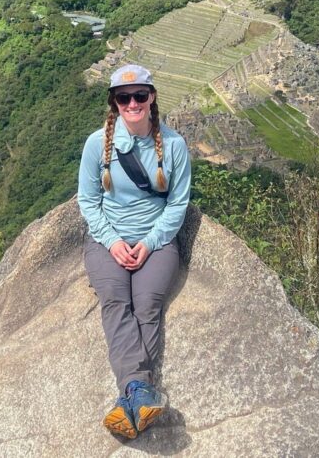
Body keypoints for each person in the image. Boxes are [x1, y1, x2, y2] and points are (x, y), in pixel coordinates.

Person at [77, 64, 191, 439]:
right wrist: (112, 242)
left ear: (152, 97)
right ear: (115, 103)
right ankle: (140, 389)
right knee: (114, 299)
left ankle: (131, 393)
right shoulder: (99, 144)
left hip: (155, 242)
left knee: (147, 305)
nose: (132, 103)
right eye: (124, 98)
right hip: (105, 239)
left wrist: (148, 243)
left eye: (139, 96)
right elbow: (89, 201)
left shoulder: (173, 146)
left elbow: (177, 205)